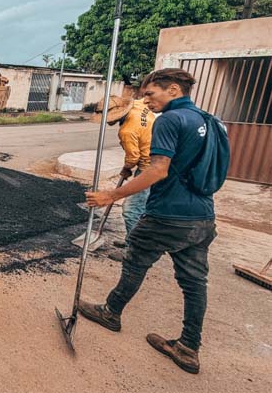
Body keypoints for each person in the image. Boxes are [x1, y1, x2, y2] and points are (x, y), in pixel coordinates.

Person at [81, 68, 228, 375]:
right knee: (194, 282)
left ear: (173, 89)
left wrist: (112, 195)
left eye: (150, 94)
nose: (145, 101)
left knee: (135, 261)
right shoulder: (209, 120)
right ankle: (188, 348)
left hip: (168, 214)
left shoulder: (171, 120)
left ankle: (111, 312)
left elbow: (158, 170)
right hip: (202, 216)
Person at [92, 95, 154, 245]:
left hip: (150, 168)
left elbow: (133, 158)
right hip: (161, 159)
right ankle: (131, 240)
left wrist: (126, 169)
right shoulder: (139, 105)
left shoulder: (127, 131)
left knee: (131, 209)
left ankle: (133, 248)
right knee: (143, 207)